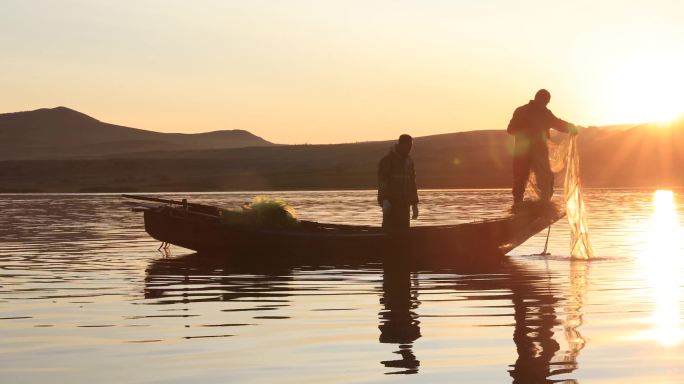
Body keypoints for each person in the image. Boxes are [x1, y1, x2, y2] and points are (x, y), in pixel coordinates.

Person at [507, 89, 579, 205]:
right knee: (536, 180)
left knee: (527, 180)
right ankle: (529, 207)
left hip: (527, 153)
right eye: (546, 101)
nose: (546, 104)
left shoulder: (526, 111)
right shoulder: (537, 112)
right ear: (540, 99)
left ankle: (526, 207)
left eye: (547, 102)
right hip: (530, 153)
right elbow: (510, 130)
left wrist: (571, 127)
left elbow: (557, 123)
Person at [378, 134, 419, 230]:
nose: (409, 148)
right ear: (400, 145)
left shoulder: (409, 162)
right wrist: (385, 200)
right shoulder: (387, 161)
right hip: (391, 205)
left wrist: (414, 204)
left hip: (405, 206)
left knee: (404, 232)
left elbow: (412, 184)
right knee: (389, 231)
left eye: (411, 146)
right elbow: (382, 182)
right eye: (408, 146)